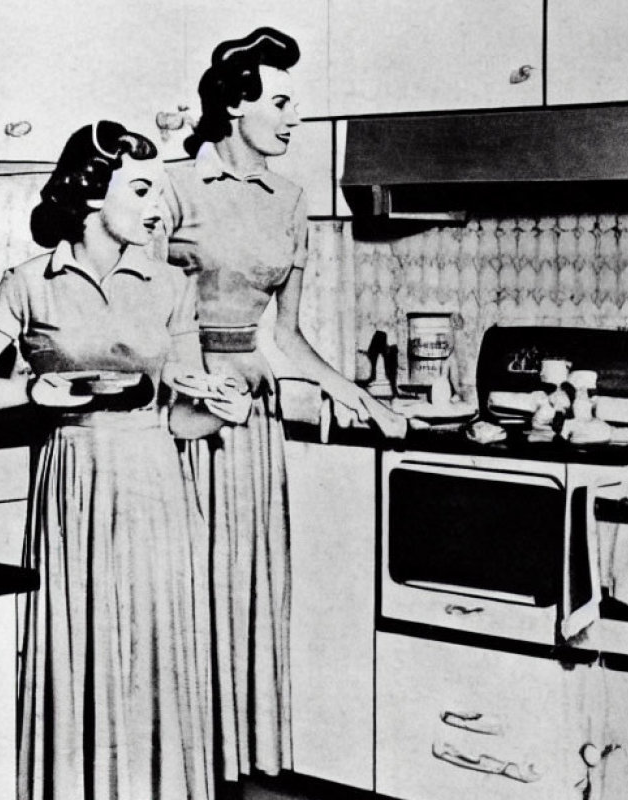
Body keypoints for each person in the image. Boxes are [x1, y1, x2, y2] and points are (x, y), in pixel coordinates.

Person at [0, 121, 237, 800]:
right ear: (91, 192)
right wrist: (32, 389)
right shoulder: (28, 282)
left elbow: (183, 415)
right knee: (80, 642)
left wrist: (223, 407)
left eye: (161, 191)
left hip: (156, 478)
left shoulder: (171, 284)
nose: (160, 207)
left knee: (156, 644)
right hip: (73, 475)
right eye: (142, 189)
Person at [161, 27, 408, 786]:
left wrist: (352, 391)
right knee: (182, 592)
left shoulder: (293, 199)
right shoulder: (168, 186)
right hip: (178, 418)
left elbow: (288, 333)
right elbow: (142, 315)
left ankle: (231, 767)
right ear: (236, 105)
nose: (294, 117)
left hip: (251, 426)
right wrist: (190, 382)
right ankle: (176, 767)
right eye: (281, 102)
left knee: (239, 594)